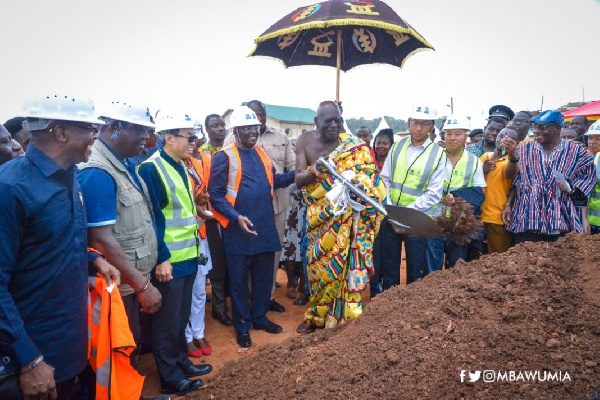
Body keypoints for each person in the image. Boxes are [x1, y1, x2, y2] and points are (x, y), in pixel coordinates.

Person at [0, 94, 118, 399]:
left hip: (70, 347)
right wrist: (29, 360)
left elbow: (57, 239)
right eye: (90, 128)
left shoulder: (69, 177)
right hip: (34, 358)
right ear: (61, 132)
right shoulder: (10, 188)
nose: (96, 135)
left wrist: (93, 259)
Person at [77, 101, 163, 362]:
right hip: (117, 287)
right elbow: (101, 241)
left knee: (130, 344)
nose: (147, 138)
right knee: (120, 352)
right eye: (140, 131)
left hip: (129, 282)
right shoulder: (98, 172)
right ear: (115, 127)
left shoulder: (123, 164)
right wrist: (143, 285)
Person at [295, 101, 386, 333]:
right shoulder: (305, 141)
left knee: (347, 267)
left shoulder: (354, 146)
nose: (334, 125)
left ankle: (345, 318)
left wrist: (359, 184)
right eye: (328, 121)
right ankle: (316, 315)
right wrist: (316, 170)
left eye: (338, 119)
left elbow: (371, 178)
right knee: (319, 267)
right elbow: (298, 179)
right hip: (320, 216)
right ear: (317, 122)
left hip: (349, 218)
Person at [209, 106, 294, 348]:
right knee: (237, 283)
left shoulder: (261, 153)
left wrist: (299, 175)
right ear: (236, 131)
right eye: (247, 128)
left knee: (264, 278)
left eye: (255, 127)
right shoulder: (223, 157)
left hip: (264, 227)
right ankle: (242, 326)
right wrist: (236, 217)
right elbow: (215, 196)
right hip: (238, 231)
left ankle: (259, 318)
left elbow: (274, 181)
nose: (253, 132)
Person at [139, 113, 212, 396]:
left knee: (179, 319)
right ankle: (170, 376)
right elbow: (151, 218)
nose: (195, 142)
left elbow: (178, 208)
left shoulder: (180, 165)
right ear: (169, 137)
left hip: (189, 257)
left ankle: (182, 362)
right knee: (167, 323)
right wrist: (161, 257)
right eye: (189, 137)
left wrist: (198, 208)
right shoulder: (151, 168)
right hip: (169, 261)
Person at [224, 100, 294, 313]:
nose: (258, 122)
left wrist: (302, 175)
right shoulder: (229, 143)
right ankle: (246, 303)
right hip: (243, 212)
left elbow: (286, 172)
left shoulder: (281, 138)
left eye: (260, 117)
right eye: (253, 118)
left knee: (269, 258)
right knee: (245, 260)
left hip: (276, 207)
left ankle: (266, 297)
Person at [503, 110, 596, 243]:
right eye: (534, 127)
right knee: (527, 258)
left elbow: (588, 178)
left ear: (558, 128)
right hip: (529, 217)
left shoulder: (576, 152)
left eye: (542, 127)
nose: (536, 131)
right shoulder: (524, 149)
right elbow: (513, 178)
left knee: (559, 260)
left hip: (561, 219)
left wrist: (572, 188)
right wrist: (508, 204)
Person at [380, 104, 445, 288]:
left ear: (431, 126)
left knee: (415, 269)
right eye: (415, 123)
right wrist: (391, 206)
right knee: (389, 264)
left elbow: (434, 193)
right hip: (391, 215)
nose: (418, 128)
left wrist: (407, 212)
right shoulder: (397, 146)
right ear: (409, 122)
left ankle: (409, 310)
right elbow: (385, 178)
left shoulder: (438, 154)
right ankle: (388, 303)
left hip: (417, 218)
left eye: (424, 124)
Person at [438, 116, 486, 268]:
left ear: (466, 135)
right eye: (449, 133)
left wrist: (456, 197)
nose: (452, 138)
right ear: (443, 136)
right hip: (434, 219)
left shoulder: (474, 161)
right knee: (432, 267)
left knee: (456, 265)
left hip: (459, 223)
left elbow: (479, 192)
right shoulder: (434, 157)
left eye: (458, 134)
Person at [200, 114, 233, 326]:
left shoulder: (232, 150)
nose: (220, 129)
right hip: (211, 216)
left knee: (232, 259)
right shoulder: (201, 153)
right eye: (215, 126)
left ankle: (230, 301)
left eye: (222, 125)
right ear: (207, 130)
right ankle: (219, 308)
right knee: (218, 263)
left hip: (231, 213)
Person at [184, 133, 214, 358]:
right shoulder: (165, 165)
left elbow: (199, 194)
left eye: (196, 137)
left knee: (199, 290)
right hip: (181, 238)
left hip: (200, 233)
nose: (193, 142)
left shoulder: (195, 164)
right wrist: (197, 203)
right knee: (184, 292)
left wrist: (202, 199)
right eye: (189, 137)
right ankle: (186, 338)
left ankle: (199, 332)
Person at [480, 126, 519, 253]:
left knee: (497, 258)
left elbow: (510, 174)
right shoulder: (485, 157)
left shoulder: (512, 161)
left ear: (515, 144)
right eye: (501, 136)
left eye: (510, 139)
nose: (503, 140)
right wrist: (482, 170)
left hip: (497, 218)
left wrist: (512, 155)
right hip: (478, 217)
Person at [370, 128, 394, 297]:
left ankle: (388, 287)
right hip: (372, 214)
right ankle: (373, 287)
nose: (381, 146)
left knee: (390, 251)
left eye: (385, 143)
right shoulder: (368, 162)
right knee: (374, 252)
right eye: (378, 142)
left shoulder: (395, 163)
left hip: (391, 213)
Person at [585, 121, 600, 234]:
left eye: (598, 138)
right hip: (594, 223)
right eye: (590, 138)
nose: (592, 142)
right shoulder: (594, 159)